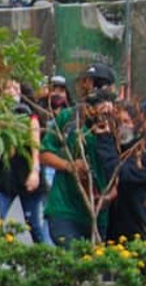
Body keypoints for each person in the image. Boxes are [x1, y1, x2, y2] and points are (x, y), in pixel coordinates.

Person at [40, 64, 117, 245]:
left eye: (97, 85)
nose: (90, 91)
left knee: (92, 267)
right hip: (64, 208)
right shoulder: (69, 117)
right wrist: (70, 165)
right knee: (72, 260)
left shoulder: (115, 123)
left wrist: (111, 193)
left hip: (97, 213)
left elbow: (123, 166)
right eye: (87, 85)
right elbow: (44, 153)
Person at [0, 80, 50, 244]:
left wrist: (35, 171)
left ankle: (46, 259)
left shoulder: (29, 115)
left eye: (16, 88)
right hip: (3, 176)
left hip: (26, 173)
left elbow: (35, 146)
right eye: (7, 87)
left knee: (35, 225)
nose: (11, 92)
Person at [96, 100, 146, 240]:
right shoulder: (125, 150)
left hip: (137, 234)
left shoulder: (140, 156)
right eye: (119, 121)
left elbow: (120, 172)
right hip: (118, 233)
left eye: (127, 121)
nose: (123, 127)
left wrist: (104, 140)